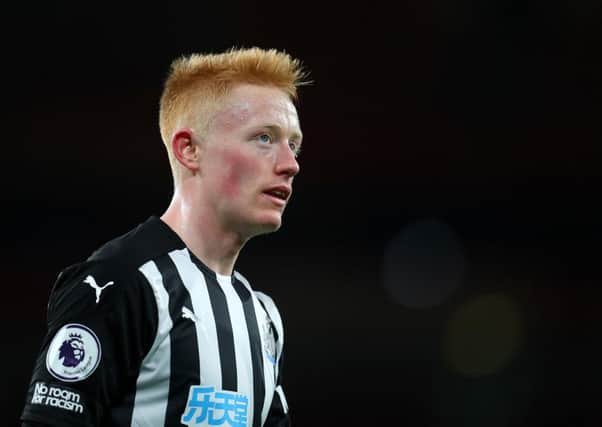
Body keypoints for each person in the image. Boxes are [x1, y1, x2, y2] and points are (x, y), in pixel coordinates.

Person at [20, 46, 309, 427]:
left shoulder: (262, 317)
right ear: (189, 150)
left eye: (294, 143)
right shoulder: (120, 282)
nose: (291, 164)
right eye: (264, 138)